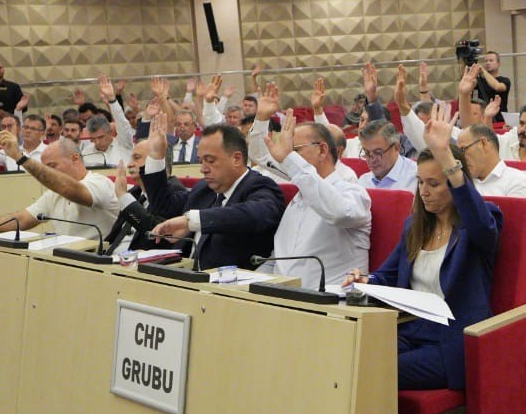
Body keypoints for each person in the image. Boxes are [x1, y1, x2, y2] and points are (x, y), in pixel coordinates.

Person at [345, 103, 502, 390]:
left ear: (455, 185)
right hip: (410, 327)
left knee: (374, 369)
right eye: (420, 182)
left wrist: (445, 155)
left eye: (434, 183)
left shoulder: (481, 220)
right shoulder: (415, 226)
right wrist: (364, 281)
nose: (424, 191)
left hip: (452, 339)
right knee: (349, 355)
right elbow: (387, 276)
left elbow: (477, 220)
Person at [247, 96, 371, 288]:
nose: (288, 157)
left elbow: (339, 213)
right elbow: (279, 260)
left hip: (332, 307)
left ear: (322, 150)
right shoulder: (297, 200)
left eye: (294, 150)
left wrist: (289, 158)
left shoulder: (354, 192)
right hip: (287, 301)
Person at [143, 123, 284, 269]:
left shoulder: (261, 186)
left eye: (210, 161)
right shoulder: (204, 188)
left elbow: (252, 215)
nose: (203, 169)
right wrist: (156, 156)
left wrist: (192, 221)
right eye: (201, 161)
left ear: (236, 159)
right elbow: (163, 206)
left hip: (230, 287)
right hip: (184, 276)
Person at [0, 134, 120, 242]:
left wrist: (21, 158)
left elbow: (69, 189)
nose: (48, 172)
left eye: (52, 166)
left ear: (74, 158)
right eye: (45, 167)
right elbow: (22, 219)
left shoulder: (100, 183)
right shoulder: (53, 195)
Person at [455, 124, 526, 198]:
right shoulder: (460, 181)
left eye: (463, 149)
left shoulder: (517, 182)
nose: (460, 157)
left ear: (483, 143)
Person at [356, 118, 418, 191]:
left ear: (396, 147)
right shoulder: (363, 182)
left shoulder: (416, 178)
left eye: (378, 152)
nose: (372, 160)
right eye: (367, 153)